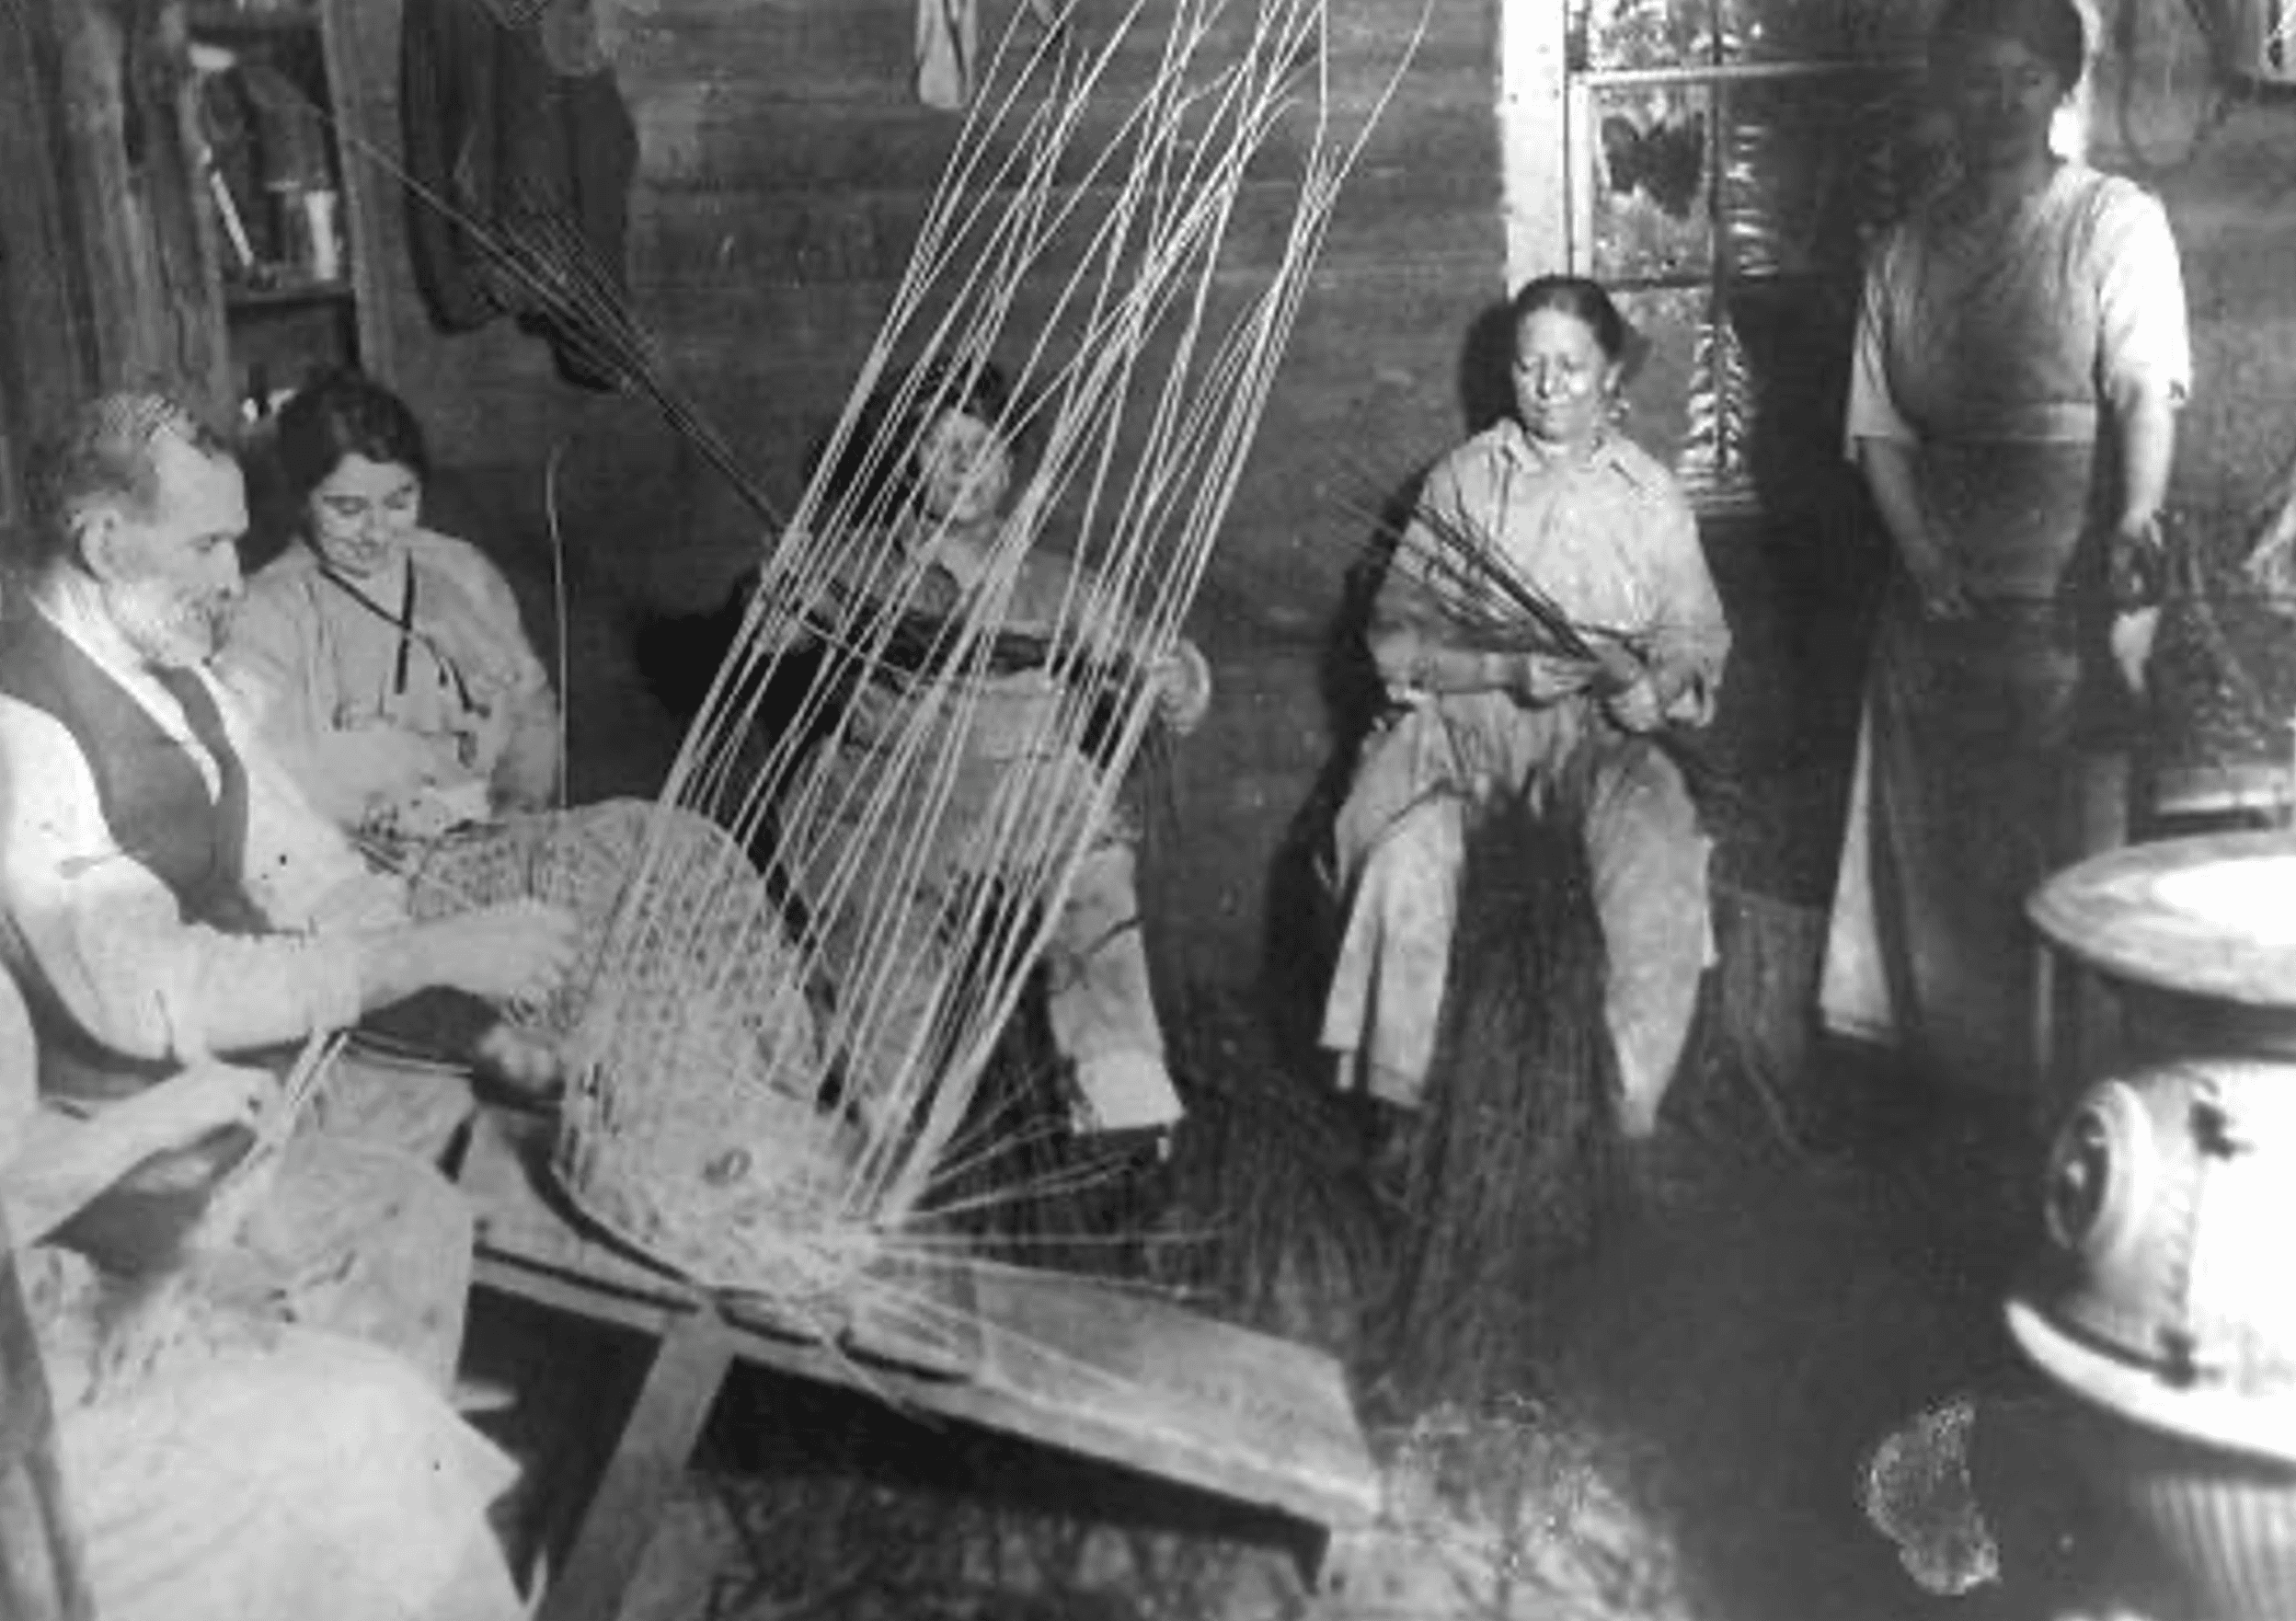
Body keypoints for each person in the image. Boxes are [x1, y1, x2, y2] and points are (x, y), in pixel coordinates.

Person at [0, 389, 580, 1382]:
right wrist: (420, 957)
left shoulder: (174, 671)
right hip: (110, 1145)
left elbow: (305, 867)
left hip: (242, 1075)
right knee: (412, 1214)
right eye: (207, 546)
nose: (234, 577)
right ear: (104, 544)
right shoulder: (23, 729)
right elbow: (150, 995)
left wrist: (461, 994)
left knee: (484, 1117)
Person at [1818, 0, 2190, 1097]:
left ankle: (2067, 1094)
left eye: (2027, 77)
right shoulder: (1905, 248)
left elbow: (2144, 388)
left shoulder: (2113, 221)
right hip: (1937, 600)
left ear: (2062, 88)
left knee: (2063, 855)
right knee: (1943, 866)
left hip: (2071, 593)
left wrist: (2135, 524)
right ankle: (1958, 1099)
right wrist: (1924, 559)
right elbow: (1879, 429)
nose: (2003, 102)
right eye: (1979, 78)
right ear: (1949, 91)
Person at [1319, 274, 1730, 1140]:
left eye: (1570, 368)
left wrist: (1657, 688)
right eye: (1528, 365)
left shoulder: (1647, 493)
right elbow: (1393, 639)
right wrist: (1502, 669)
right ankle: (1403, 1124)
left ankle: (1621, 1116)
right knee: (1405, 863)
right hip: (1466, 741)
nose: (1547, 387)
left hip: (1602, 746)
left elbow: (1694, 633)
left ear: (1610, 374)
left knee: (1659, 869)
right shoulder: (1465, 481)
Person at [766, 360, 1212, 1144]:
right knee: (885, 1035)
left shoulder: (1053, 583)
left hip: (1024, 802)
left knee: (1092, 866)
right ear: (904, 461)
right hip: (882, 802)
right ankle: (888, 1121)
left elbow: (1153, 662)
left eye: (982, 445)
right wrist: (771, 600)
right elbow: (772, 631)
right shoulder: (848, 563)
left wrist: (1176, 678)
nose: (963, 465)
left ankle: (1120, 1094)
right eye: (939, 446)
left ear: (1009, 464)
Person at [0, 962, 529, 1621]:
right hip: (27, 1425)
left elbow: (22, 1161)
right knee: (357, 1432)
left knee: (374, 1406)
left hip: (41, 1324)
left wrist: (164, 1225)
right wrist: (133, 1142)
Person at [220, 370, 560, 846]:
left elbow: (531, 708)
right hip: (359, 855)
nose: (378, 532)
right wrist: (372, 816)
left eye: (400, 501)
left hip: (496, 830)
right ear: (301, 500)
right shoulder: (265, 611)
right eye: (348, 509)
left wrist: (518, 806)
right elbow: (262, 771)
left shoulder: (462, 570)